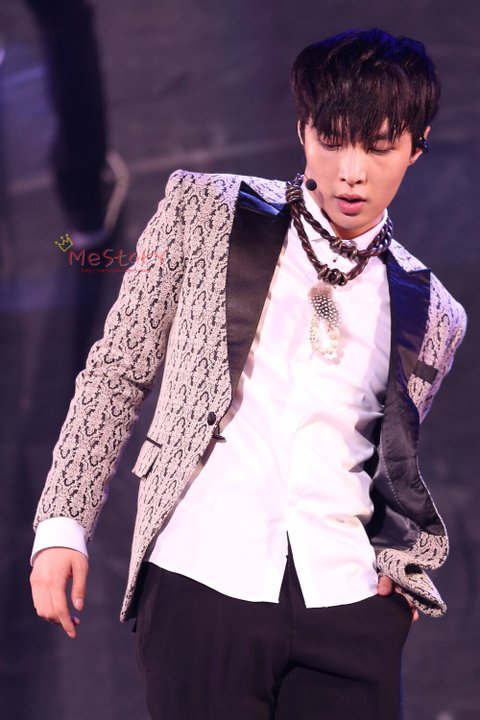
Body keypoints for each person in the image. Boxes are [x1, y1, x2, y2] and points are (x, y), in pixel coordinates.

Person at [30, 28, 467, 720]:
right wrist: (62, 522)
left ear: (417, 146)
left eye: (379, 147)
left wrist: (398, 569)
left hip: (348, 605)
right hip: (202, 580)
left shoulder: (435, 310)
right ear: (302, 130)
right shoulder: (203, 210)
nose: (351, 172)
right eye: (331, 141)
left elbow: (393, 465)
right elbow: (118, 369)